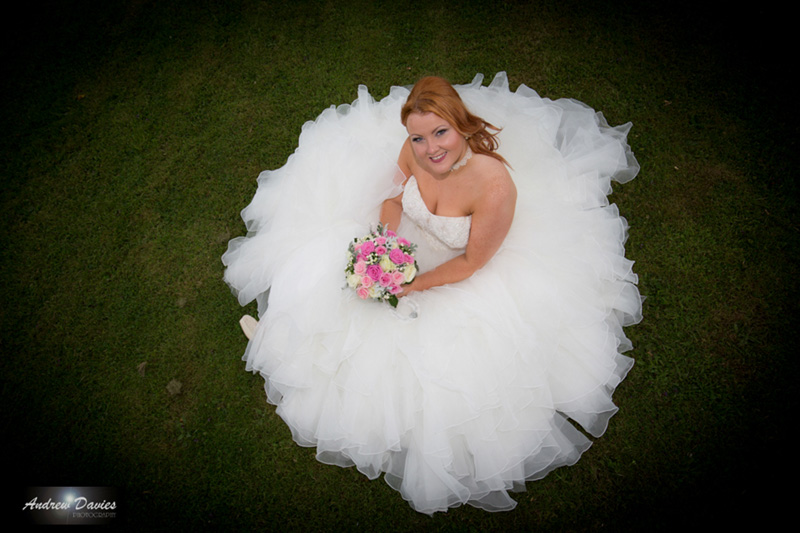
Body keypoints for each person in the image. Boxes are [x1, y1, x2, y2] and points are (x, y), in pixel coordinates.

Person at [222, 73, 642, 514]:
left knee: (425, 358)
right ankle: (287, 344)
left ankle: (344, 389)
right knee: (329, 269)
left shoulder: (494, 186)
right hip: (405, 241)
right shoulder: (413, 150)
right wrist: (383, 243)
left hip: (456, 268)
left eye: (440, 132)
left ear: (461, 126)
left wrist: (411, 283)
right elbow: (394, 197)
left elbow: (473, 262)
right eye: (419, 138)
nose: (430, 149)